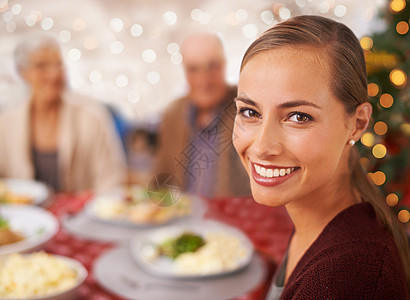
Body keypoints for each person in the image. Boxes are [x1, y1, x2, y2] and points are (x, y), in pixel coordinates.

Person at [233, 15, 410, 298]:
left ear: (358, 123)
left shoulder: (342, 278)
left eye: (298, 117)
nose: (262, 147)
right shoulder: (321, 224)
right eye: (250, 112)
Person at [0, 33, 127, 193]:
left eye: (58, 64)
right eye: (41, 66)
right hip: (24, 216)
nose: (54, 74)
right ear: (22, 72)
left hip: (82, 215)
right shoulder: (5, 122)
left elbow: (111, 180)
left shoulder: (93, 116)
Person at [155, 32, 250, 198]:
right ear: (184, 71)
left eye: (212, 66)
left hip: (235, 219)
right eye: (194, 69)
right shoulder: (173, 114)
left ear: (224, 65)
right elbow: (162, 179)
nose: (203, 79)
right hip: (184, 219)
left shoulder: (247, 108)